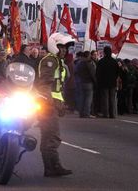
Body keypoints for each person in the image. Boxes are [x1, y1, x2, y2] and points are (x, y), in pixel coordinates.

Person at [36, 32, 74, 177]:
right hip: (47, 105)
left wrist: (61, 103)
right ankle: (53, 167)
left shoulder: (59, 62)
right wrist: (52, 103)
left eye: (66, 47)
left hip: (52, 103)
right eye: (61, 47)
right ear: (54, 45)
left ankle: (51, 167)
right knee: (52, 136)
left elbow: (58, 87)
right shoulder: (50, 60)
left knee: (48, 136)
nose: (64, 50)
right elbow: (45, 85)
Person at [96, 46, 119, 118]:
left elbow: (98, 73)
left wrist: (99, 81)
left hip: (103, 83)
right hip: (112, 82)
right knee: (112, 99)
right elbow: (117, 72)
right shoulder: (114, 61)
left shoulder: (101, 62)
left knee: (105, 98)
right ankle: (112, 114)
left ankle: (106, 113)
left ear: (104, 52)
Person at [74, 51, 96, 118]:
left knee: (82, 98)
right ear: (88, 56)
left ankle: (81, 113)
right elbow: (92, 74)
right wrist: (95, 82)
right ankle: (86, 113)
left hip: (81, 82)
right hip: (88, 83)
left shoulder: (79, 63)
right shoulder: (89, 64)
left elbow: (75, 72)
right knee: (88, 99)